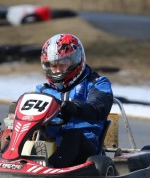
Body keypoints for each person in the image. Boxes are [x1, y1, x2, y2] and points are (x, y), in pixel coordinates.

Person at [35, 33, 113, 168]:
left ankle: (53, 168)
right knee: (22, 132)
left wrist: (76, 107)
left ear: (76, 61)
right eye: (53, 65)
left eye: (62, 64)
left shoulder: (97, 83)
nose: (57, 70)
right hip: (49, 141)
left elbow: (99, 107)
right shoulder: (42, 90)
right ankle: (7, 159)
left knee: (72, 135)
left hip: (85, 145)